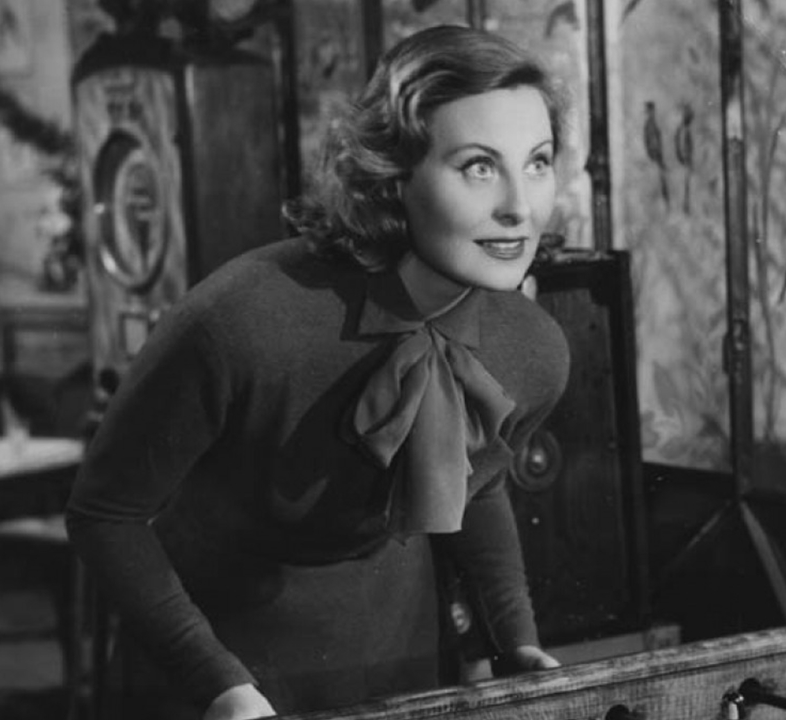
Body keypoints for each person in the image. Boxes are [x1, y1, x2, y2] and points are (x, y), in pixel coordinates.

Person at [66, 24, 571, 720]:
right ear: (393, 177)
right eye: (479, 167)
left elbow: (474, 484)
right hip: (207, 670)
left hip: (396, 662)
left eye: (538, 162)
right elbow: (105, 514)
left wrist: (517, 641)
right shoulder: (240, 320)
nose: (520, 206)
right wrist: (218, 685)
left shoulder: (535, 350)